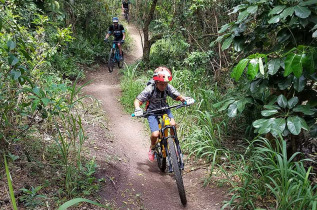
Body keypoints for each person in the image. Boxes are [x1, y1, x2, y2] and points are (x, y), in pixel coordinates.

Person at [134, 67, 190, 162]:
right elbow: (138, 100)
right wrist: (137, 109)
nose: (164, 86)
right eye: (161, 84)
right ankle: (152, 148)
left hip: (165, 109)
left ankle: (173, 145)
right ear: (156, 82)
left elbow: (177, 95)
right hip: (152, 111)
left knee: (172, 125)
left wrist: (184, 99)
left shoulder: (167, 87)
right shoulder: (150, 89)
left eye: (165, 84)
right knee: (155, 134)